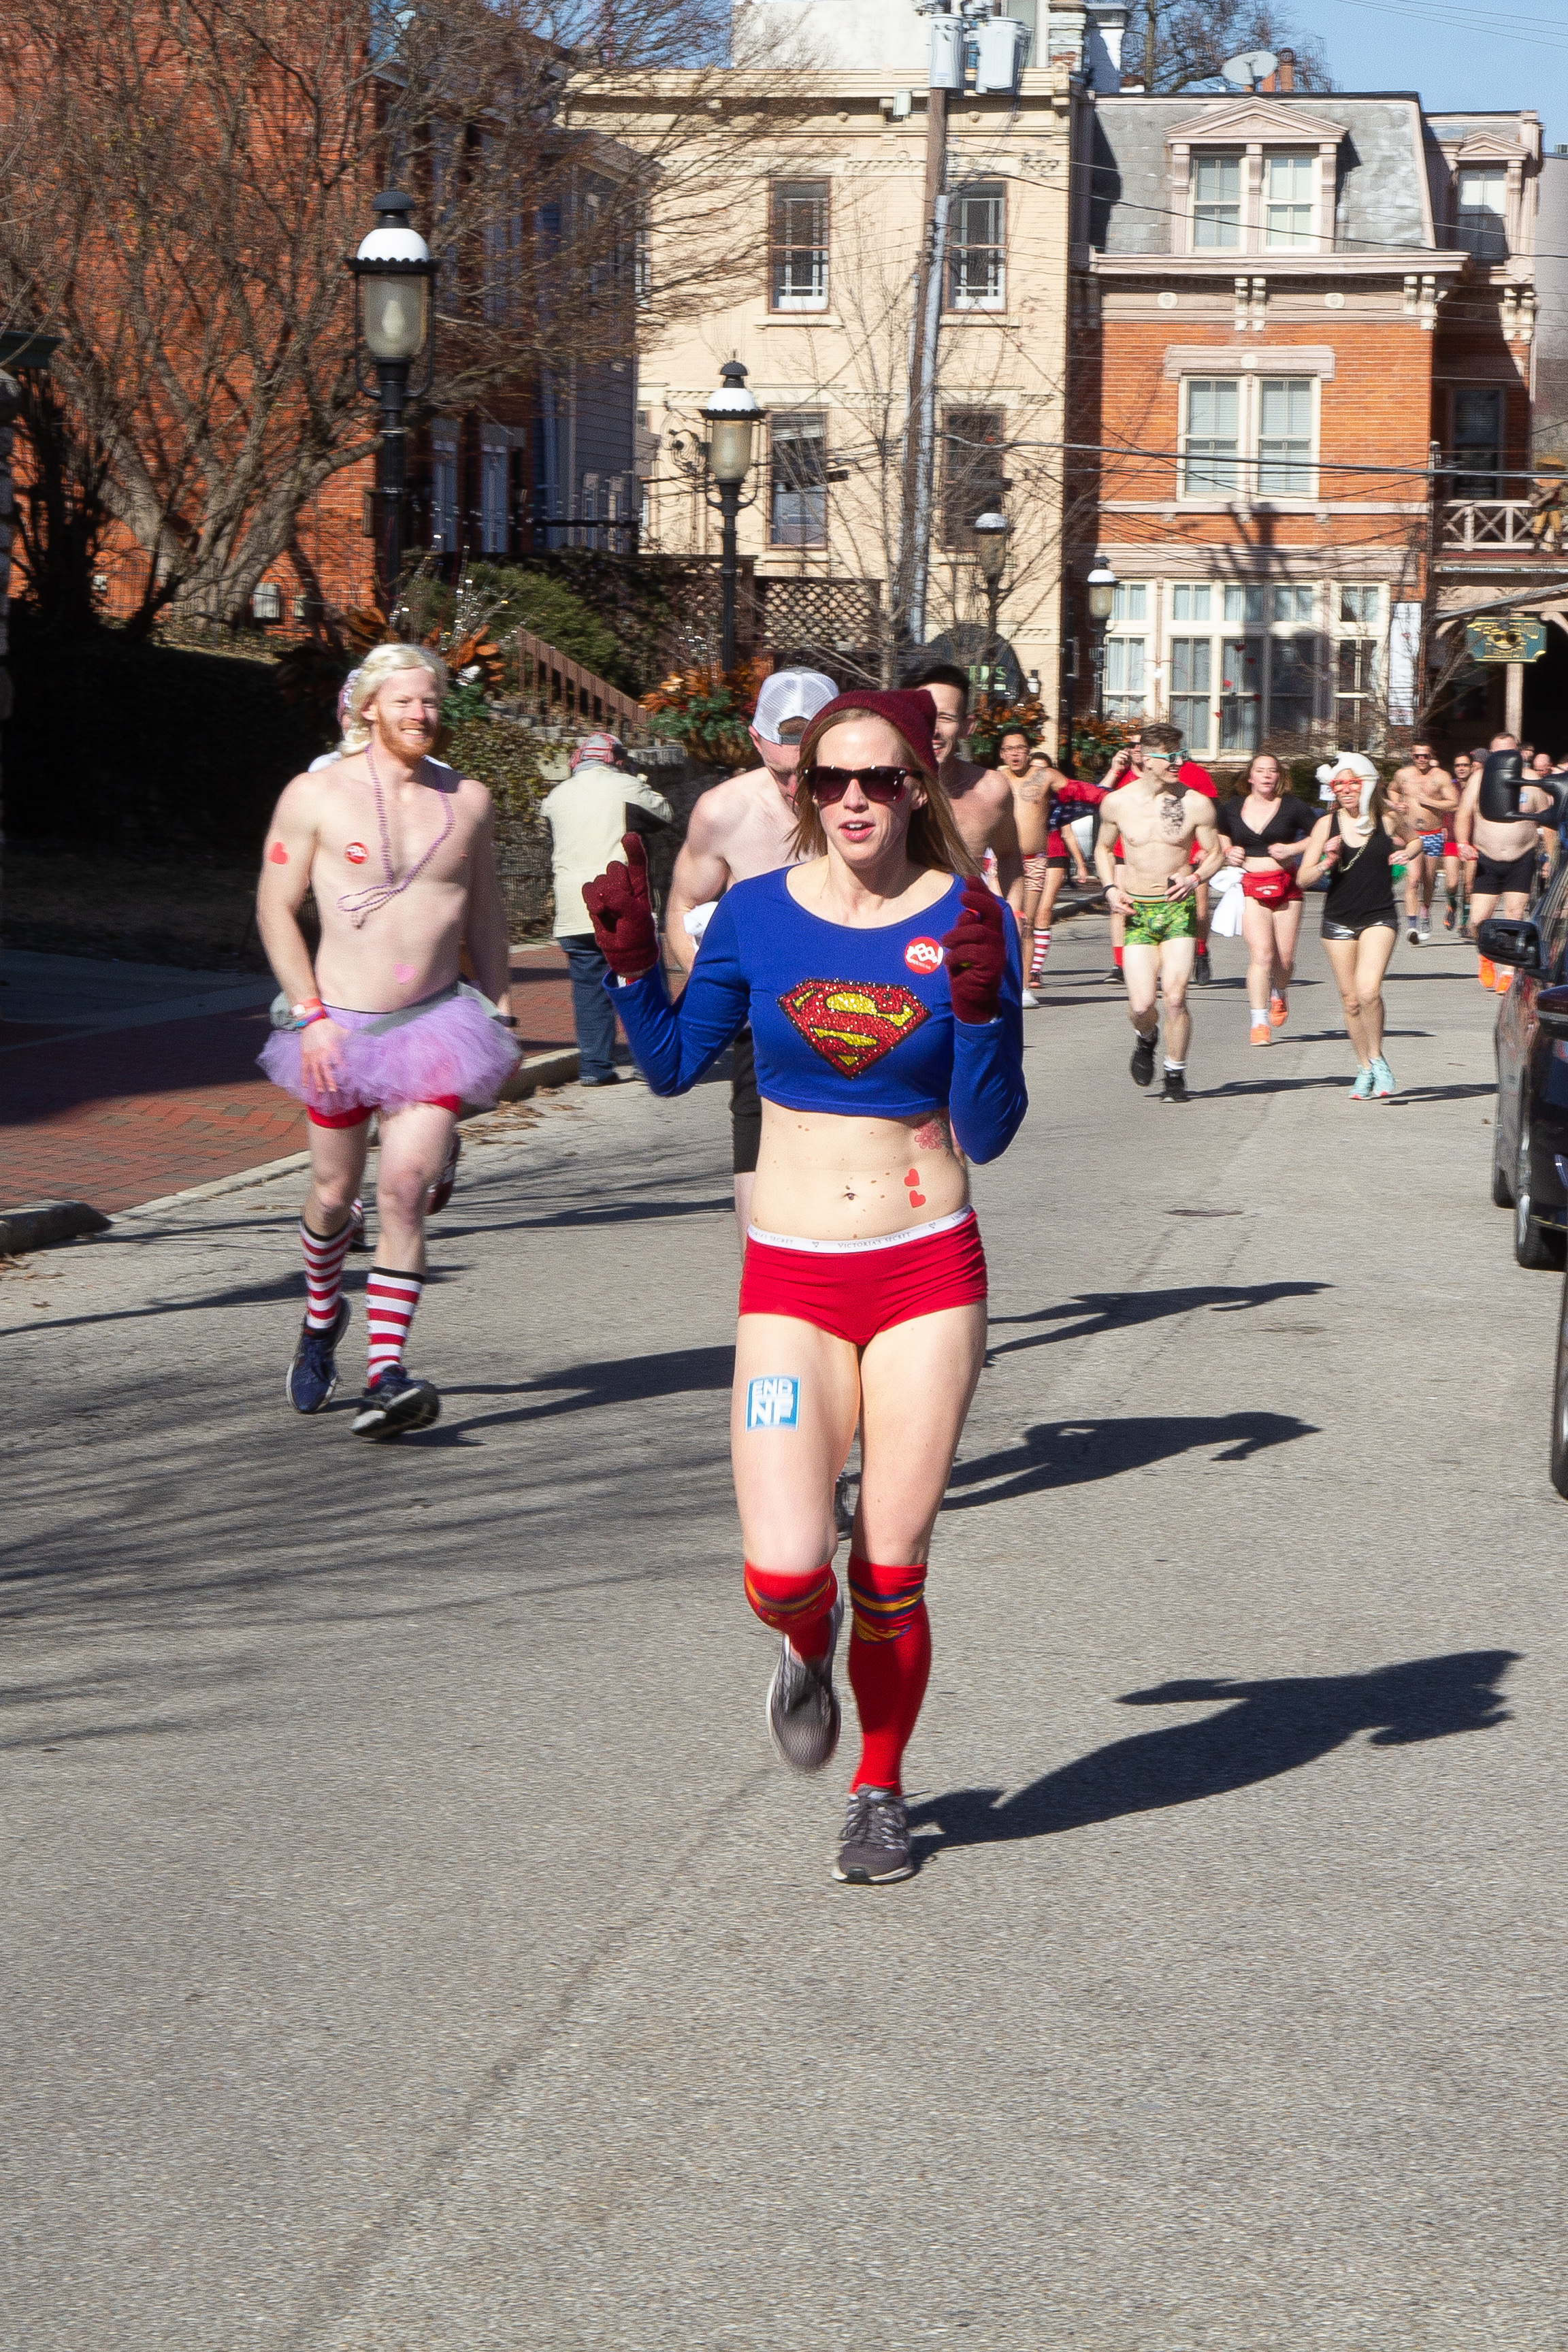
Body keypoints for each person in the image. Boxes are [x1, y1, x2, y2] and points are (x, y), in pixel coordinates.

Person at [581, 687, 1026, 1886]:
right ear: (799, 789)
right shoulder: (754, 916)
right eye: (828, 779)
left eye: (880, 780)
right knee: (785, 1566)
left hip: (924, 1264)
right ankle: (801, 1639)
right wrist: (628, 969)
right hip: (789, 1276)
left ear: (917, 788)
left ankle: (878, 1790)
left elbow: (986, 1130)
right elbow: (675, 1067)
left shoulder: (970, 918)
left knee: (889, 1557)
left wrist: (979, 1011)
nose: (852, 801)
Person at [256, 643, 521, 1437]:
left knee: (405, 1190)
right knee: (335, 1194)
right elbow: (275, 909)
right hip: (338, 1028)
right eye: (405, 702)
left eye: (432, 702)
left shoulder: (467, 800)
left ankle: (386, 1374)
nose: (421, 715)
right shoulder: (315, 794)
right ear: (368, 706)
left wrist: (501, 1008)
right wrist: (310, 1015)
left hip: (437, 1023)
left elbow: (487, 916)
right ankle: (318, 1320)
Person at [664, 668, 839, 1245]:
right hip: (763, 1032)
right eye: (783, 770)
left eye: (811, 770)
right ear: (756, 740)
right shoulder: (725, 813)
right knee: (757, 1229)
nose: (797, 788)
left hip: (865, 1019)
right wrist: (718, 990)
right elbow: (685, 906)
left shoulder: (869, 809)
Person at [1094, 726, 1224, 1102]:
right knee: (1141, 1005)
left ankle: (1175, 1074)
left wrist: (1196, 876)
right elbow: (1103, 849)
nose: (1179, 763)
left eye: (1181, 755)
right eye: (1171, 757)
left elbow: (1214, 852)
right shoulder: (1117, 803)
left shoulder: (1195, 803)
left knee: (1177, 997)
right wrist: (1109, 888)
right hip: (1137, 911)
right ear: (1147, 759)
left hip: (1177, 910)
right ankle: (1146, 1037)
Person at [542, 733, 673, 1085]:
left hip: (574, 906)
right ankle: (655, 1062)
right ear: (613, 758)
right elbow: (664, 814)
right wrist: (636, 778)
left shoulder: (556, 797)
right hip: (620, 902)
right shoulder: (625, 786)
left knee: (588, 988)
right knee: (643, 981)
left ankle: (594, 1067)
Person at [1296, 752, 1407, 1098]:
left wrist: (1409, 853)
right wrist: (1327, 860)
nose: (1344, 789)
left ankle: (1378, 1061)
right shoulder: (1325, 826)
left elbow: (1416, 838)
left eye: (1351, 782)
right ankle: (1363, 1069)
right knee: (1351, 1000)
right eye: (1338, 784)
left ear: (1367, 783)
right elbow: (1302, 878)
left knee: (1368, 990)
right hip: (1338, 919)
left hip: (1379, 915)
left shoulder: (1386, 820)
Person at [1216, 753, 1320, 1047]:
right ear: (1250, 776)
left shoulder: (1293, 806)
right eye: (1260, 771)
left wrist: (1293, 848)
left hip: (1286, 885)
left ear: (1279, 776)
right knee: (1262, 955)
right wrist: (1228, 851)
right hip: (1250, 885)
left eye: (1272, 771)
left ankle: (1280, 992)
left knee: (1283, 961)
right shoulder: (1233, 807)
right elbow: (1219, 833)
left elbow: (1320, 834)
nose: (1266, 776)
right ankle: (1258, 1022)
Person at [1454, 732, 1554, 989]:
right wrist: (1463, 844)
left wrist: (1550, 859)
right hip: (1487, 857)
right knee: (1478, 920)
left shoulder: (1530, 779)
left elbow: (1547, 820)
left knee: (1514, 915)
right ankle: (1486, 957)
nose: (1503, 758)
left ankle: (1509, 971)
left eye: (1508, 752)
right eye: (1497, 753)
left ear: (1518, 753)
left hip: (1521, 856)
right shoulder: (1479, 779)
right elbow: (1464, 813)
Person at [1025, 741, 1103, 985]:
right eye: (1034, 770)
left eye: (1043, 771)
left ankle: (1035, 970)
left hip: (1054, 855)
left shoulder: (1060, 801)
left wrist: (1080, 865)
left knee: (1044, 911)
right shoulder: (1021, 796)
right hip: (1026, 857)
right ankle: (1020, 967)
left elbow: (1068, 833)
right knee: (1022, 916)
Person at [1388, 741, 1458, 945]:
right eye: (1418, 755)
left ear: (1431, 755)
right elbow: (1392, 790)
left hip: (1433, 834)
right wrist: (1396, 804)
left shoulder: (1441, 776)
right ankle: (1412, 925)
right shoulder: (1403, 774)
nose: (1421, 759)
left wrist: (1432, 803)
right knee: (1413, 880)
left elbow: (1454, 803)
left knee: (1428, 881)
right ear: (1412, 755)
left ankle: (1425, 911)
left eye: (1425, 756)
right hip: (1412, 836)